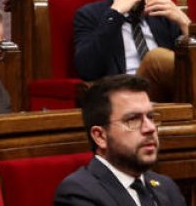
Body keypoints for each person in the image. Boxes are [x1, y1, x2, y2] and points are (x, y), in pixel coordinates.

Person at [53, 75, 186, 206]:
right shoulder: (78, 193)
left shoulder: (167, 188)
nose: (150, 128)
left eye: (150, 117)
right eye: (133, 119)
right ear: (100, 136)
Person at [73, 0, 190, 83]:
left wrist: (184, 23)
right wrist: (115, 14)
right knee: (155, 57)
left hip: (166, 93)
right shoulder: (91, 15)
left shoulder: (163, 15)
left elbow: (193, 65)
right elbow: (86, 69)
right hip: (121, 92)